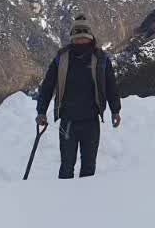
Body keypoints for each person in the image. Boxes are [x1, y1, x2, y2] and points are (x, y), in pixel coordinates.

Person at [36, 14, 122, 178]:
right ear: (72, 38)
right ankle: (65, 200)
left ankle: (86, 201)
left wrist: (115, 110)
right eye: (77, 37)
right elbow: (47, 86)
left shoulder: (101, 59)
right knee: (67, 166)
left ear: (90, 37)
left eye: (83, 37)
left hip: (91, 120)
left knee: (89, 166)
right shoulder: (61, 58)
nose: (80, 40)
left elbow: (111, 86)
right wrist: (41, 111)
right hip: (68, 121)